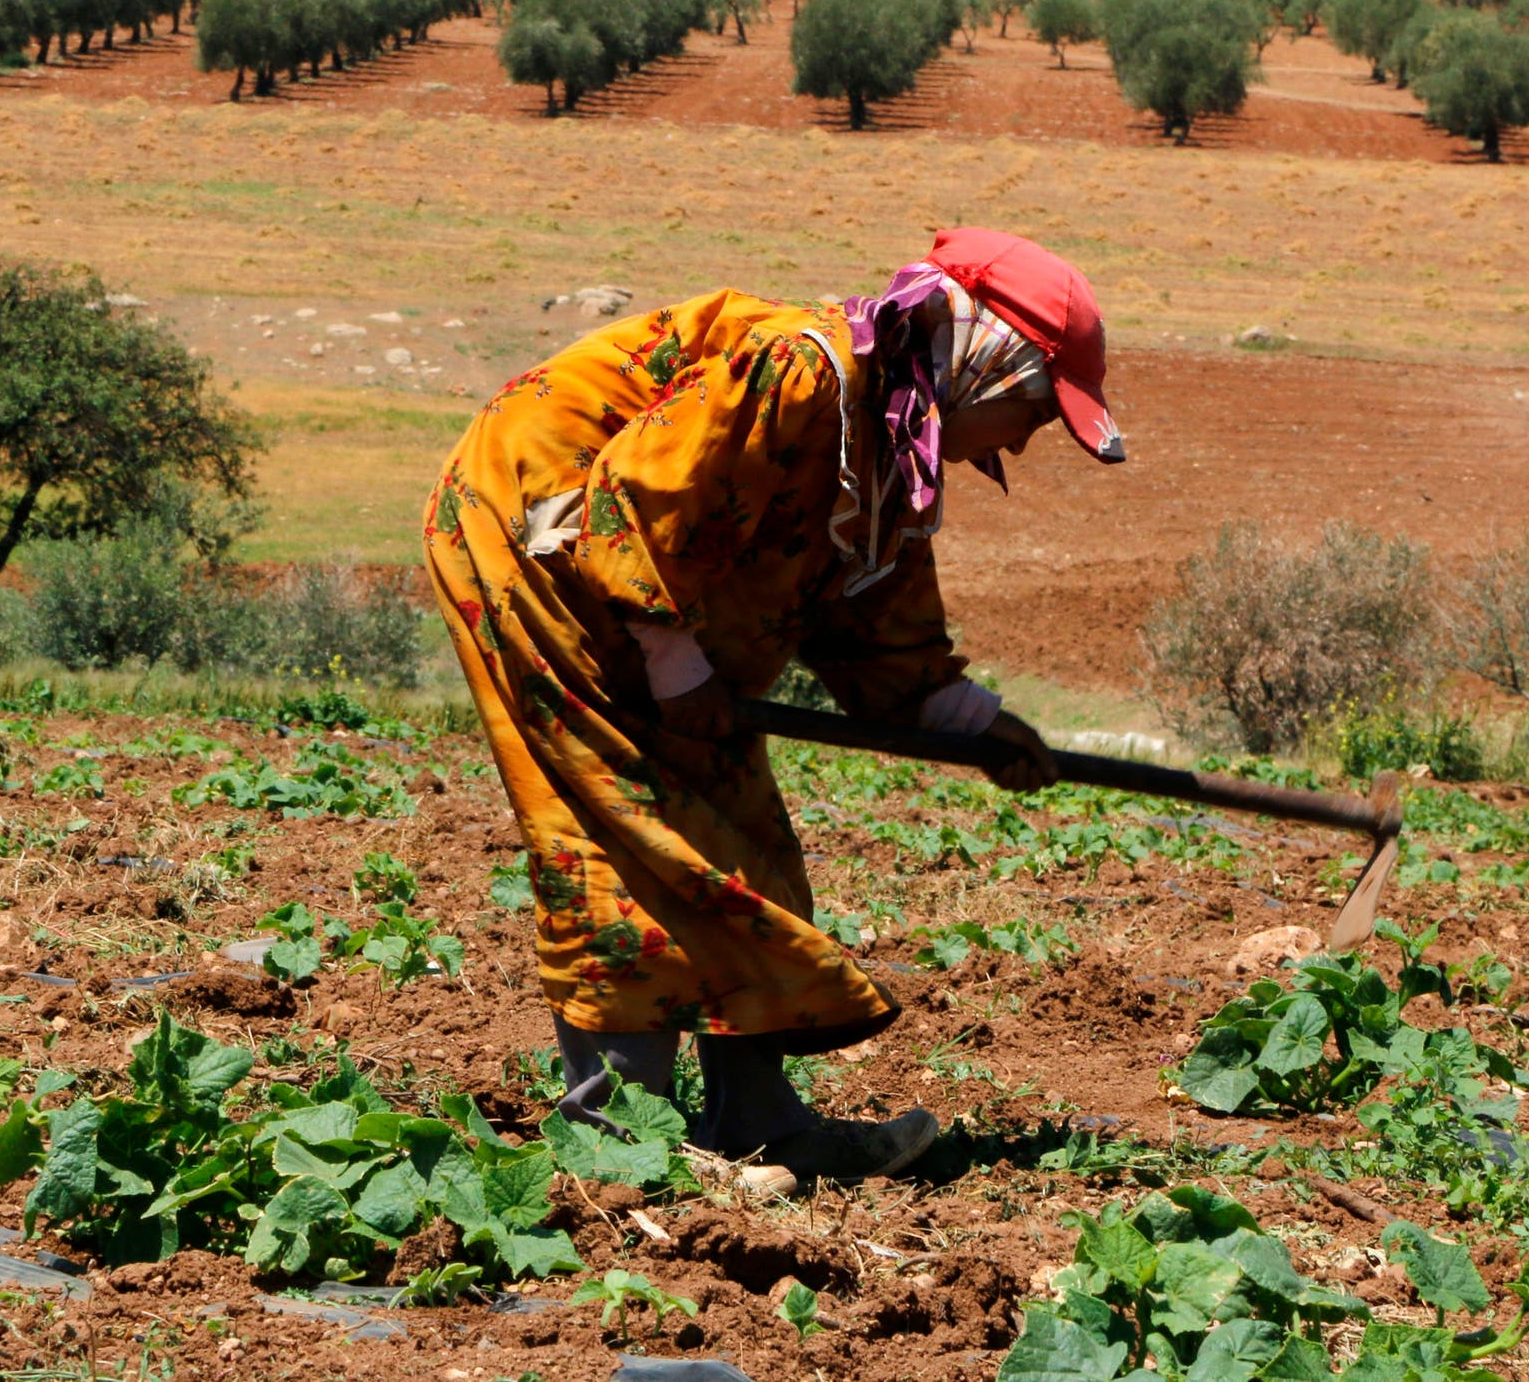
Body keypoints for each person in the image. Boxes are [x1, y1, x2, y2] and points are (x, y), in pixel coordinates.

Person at [422, 226, 1125, 1185]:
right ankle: (617, 1144)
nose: (1023, 444)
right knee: (621, 825)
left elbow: (883, 630)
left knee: (738, 822)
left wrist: (972, 721)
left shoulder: (887, 448)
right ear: (985, 369)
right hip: (536, 527)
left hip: (637, 590)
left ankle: (759, 1125)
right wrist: (674, 663)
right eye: (1036, 416)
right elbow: (630, 495)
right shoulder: (807, 374)